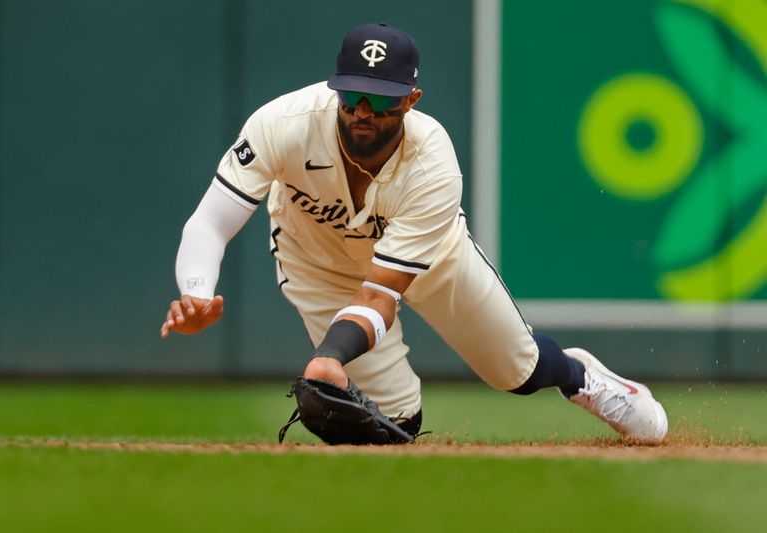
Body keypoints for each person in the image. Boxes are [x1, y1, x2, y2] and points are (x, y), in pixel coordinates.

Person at [160, 23, 668, 443]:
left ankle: (582, 378)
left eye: (380, 99)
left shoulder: (433, 163)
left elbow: (380, 294)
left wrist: (328, 356)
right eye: (352, 94)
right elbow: (210, 222)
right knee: (392, 426)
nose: (362, 110)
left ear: (410, 100)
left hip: (433, 257)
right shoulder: (283, 123)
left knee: (517, 372)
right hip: (318, 267)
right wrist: (196, 293)